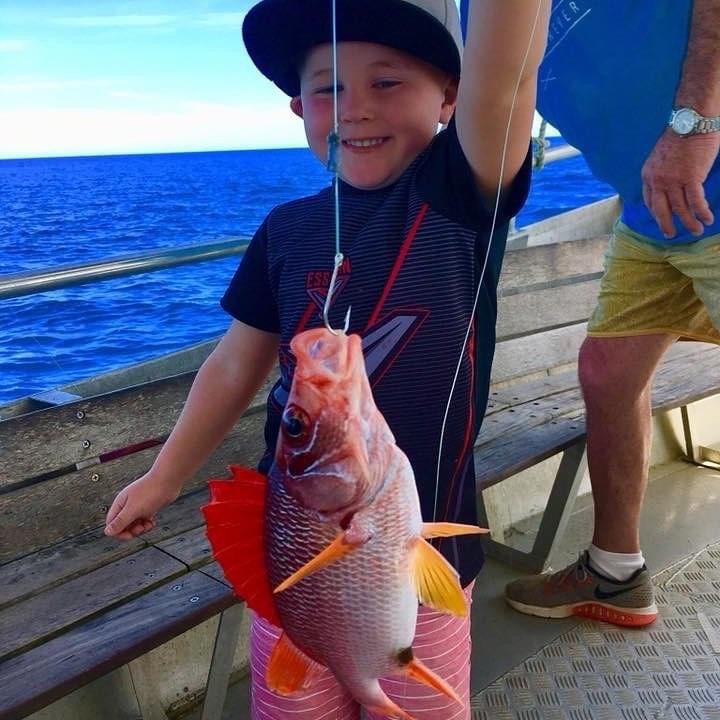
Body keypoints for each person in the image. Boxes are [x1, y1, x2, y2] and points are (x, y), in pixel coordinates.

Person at [105, 0, 550, 716]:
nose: (357, 109)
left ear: (451, 99)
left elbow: (508, 70)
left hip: (420, 559)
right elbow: (233, 364)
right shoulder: (285, 231)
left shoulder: (459, 199)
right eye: (330, 88)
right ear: (297, 108)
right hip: (295, 552)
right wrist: (163, 478)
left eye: (387, 83)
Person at [505, 0, 720, 628]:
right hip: (650, 209)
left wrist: (695, 123)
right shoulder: (468, 14)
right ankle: (614, 573)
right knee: (607, 374)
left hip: (704, 165)